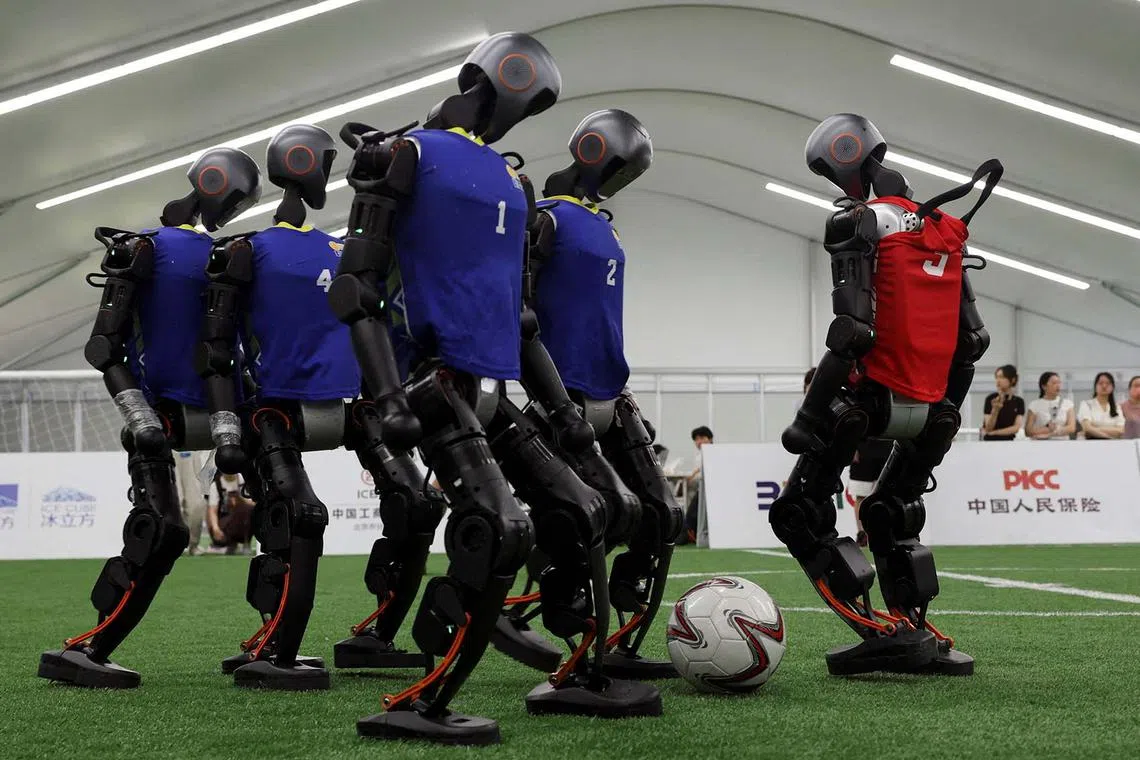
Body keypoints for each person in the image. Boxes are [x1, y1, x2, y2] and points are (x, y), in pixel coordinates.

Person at [206, 472, 254, 554]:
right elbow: (212, 510)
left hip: (240, 520)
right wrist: (215, 528)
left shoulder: (242, 480)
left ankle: (246, 543)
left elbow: (252, 504)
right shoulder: (216, 484)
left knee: (249, 510)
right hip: (223, 522)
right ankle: (222, 545)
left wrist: (240, 498)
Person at [173, 450, 210, 554]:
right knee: (175, 502)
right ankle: (173, 544)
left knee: (196, 505)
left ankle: (193, 544)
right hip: (168, 448)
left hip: (191, 447)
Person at [682, 426, 714, 544]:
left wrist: (694, 474)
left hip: (711, 490)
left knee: (692, 514)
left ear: (710, 439)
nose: (699, 442)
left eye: (702, 438)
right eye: (696, 439)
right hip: (702, 489)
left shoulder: (716, 453)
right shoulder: (699, 456)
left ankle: (691, 534)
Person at [1026, 372, 1075, 440]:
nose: (1058, 386)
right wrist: (1047, 429)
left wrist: (1055, 431)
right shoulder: (1034, 405)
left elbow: (1072, 428)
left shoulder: (1067, 403)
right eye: (1054, 383)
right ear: (1044, 386)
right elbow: (1028, 431)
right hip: (1040, 445)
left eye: (1059, 383)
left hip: (1063, 445)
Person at [981, 364, 1025, 441]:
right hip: (989, 442)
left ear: (1013, 379)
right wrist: (995, 410)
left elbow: (1016, 427)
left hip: (1009, 441)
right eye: (997, 377)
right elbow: (988, 427)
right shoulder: (991, 399)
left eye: (1002, 377)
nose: (998, 380)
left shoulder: (1018, 401)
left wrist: (995, 432)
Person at [1077, 372, 1124, 439]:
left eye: (1108, 383)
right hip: (1090, 443)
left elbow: (1121, 430)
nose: (1104, 386)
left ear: (1112, 387)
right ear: (1095, 387)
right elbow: (1087, 428)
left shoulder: (1117, 407)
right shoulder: (1086, 404)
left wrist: (1093, 429)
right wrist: (1108, 436)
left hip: (1112, 445)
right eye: (1100, 383)